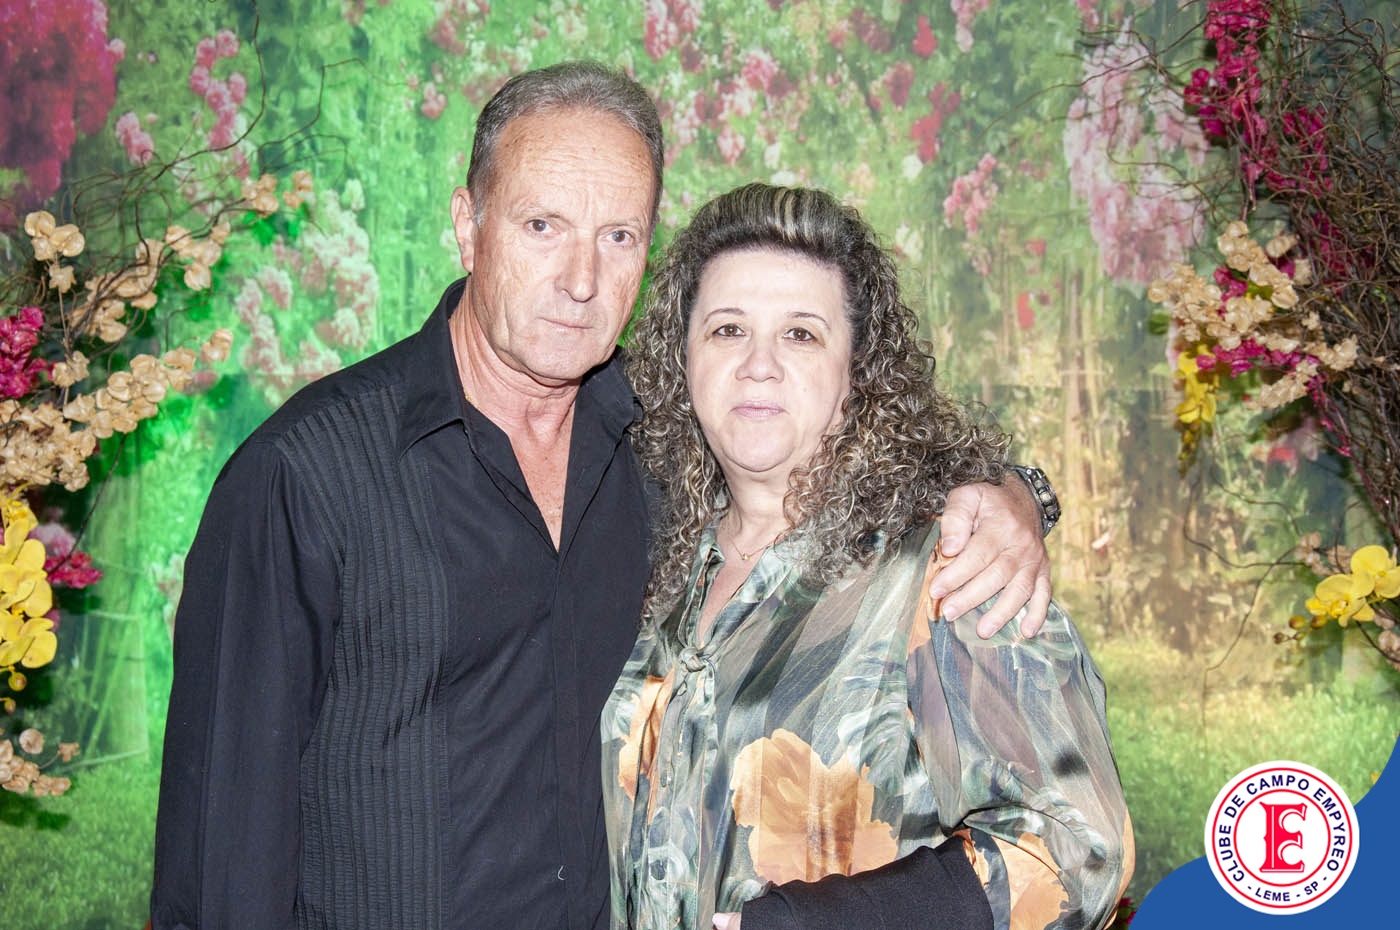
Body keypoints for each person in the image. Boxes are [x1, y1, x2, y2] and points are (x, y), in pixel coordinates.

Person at [151, 62, 1056, 930]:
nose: (581, 280)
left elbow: (857, 452)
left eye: (618, 236)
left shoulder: (667, 448)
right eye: (543, 225)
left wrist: (1013, 496)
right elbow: (220, 863)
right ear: (468, 226)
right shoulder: (303, 477)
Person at [603, 183, 1132, 930]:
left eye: (801, 334)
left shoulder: (950, 569)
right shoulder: (652, 558)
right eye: (726, 330)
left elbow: (1078, 850)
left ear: (858, 373)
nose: (758, 364)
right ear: (681, 358)